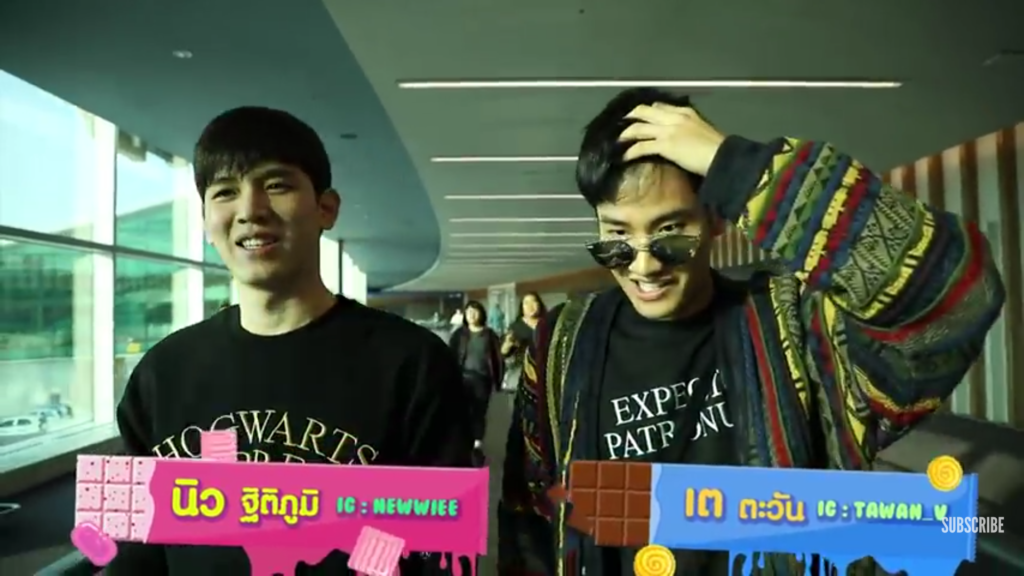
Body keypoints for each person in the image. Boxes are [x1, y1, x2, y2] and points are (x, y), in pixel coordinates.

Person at [498, 88, 1005, 576]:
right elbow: (533, 510)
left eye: (670, 231)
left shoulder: (795, 330)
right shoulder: (562, 344)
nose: (644, 265)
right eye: (616, 236)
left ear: (716, 220)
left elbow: (958, 294)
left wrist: (738, 169)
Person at [109, 106, 474, 576]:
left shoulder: (411, 364)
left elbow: (441, 555)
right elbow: (134, 552)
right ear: (205, 220)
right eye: (225, 192)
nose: (250, 211)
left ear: (326, 208)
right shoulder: (162, 374)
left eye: (277, 185)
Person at [448, 301, 504, 454]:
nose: (472, 315)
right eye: (469, 312)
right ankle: (463, 438)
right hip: (462, 377)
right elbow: (450, 355)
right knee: (462, 410)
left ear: (481, 314)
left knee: (479, 410)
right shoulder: (459, 335)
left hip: (482, 379)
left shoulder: (490, 335)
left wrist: (498, 380)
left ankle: (477, 441)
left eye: (475, 312)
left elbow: (498, 358)